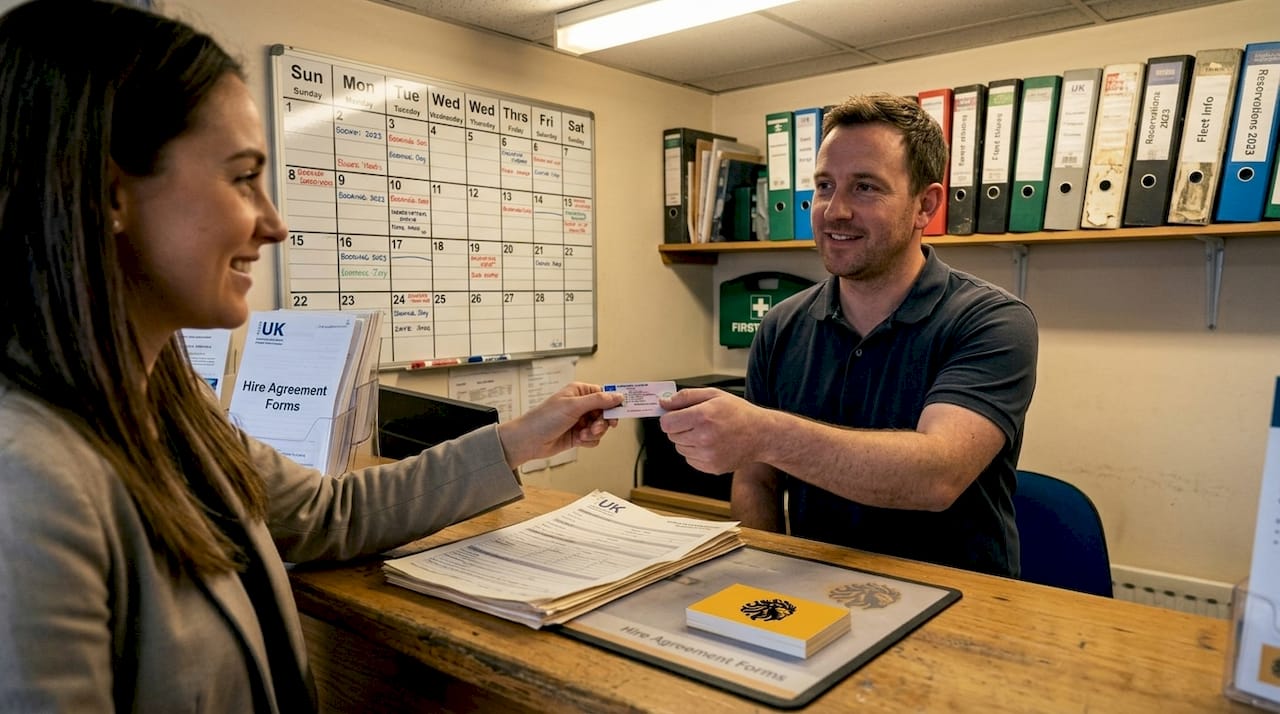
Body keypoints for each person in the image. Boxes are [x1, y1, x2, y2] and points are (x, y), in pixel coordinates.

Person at [0, 1, 622, 711]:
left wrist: (518, 439)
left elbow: (330, 515)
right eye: (241, 178)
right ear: (110, 194)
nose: (273, 222)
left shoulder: (164, 400)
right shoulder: (30, 478)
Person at [659, 93, 1038, 577]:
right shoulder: (781, 325)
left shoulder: (993, 321)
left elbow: (936, 477)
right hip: (815, 591)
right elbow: (757, 480)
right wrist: (770, 576)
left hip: (956, 605)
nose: (834, 211)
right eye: (824, 185)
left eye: (865, 188)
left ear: (926, 204)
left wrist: (763, 432)